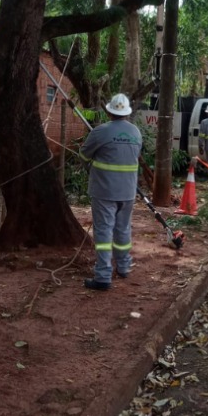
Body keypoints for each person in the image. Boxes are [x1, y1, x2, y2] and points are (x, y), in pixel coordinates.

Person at [80, 93, 142, 290]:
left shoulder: (100, 132)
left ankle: (103, 275)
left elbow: (83, 154)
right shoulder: (136, 132)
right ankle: (124, 267)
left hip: (105, 191)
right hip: (128, 191)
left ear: (109, 111)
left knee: (104, 231)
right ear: (126, 113)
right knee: (123, 229)